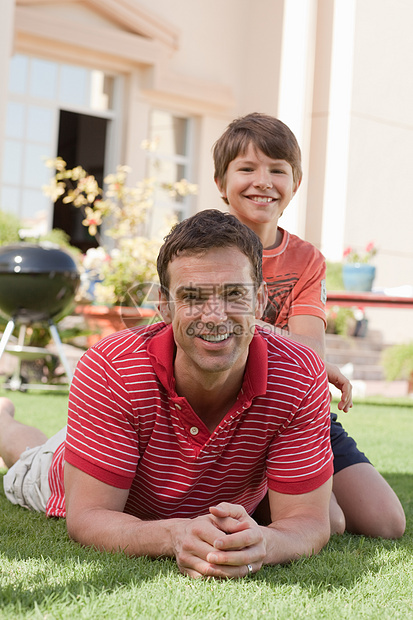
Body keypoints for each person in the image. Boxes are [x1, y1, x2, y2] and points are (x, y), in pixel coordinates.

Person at [1, 210, 334, 579]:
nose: (214, 316)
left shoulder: (299, 373)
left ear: (259, 300)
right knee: (30, 458)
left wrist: (266, 544)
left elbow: (309, 521)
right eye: (192, 296)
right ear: (163, 305)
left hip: (136, 445)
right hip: (89, 464)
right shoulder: (112, 367)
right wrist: (175, 534)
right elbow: (89, 518)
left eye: (234, 294)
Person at [213, 112, 406, 538]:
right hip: (227, 411)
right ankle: (262, 493)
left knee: (385, 522)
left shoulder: (306, 259)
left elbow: (310, 352)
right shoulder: (203, 247)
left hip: (296, 407)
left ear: (294, 184)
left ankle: (284, 488)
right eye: (246, 168)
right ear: (221, 184)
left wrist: (253, 327)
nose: (262, 181)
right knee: (330, 522)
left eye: (277, 170)